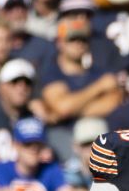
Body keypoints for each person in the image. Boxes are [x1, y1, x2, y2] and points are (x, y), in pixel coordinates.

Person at [40, 18, 124, 162]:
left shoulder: (99, 73)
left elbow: (114, 101)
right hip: (65, 137)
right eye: (72, 39)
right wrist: (99, 87)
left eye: (83, 39)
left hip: (97, 135)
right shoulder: (52, 74)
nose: (79, 44)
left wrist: (67, 112)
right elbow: (63, 107)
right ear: (60, 43)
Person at [0, 58, 41, 163]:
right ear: (1, 86)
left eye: (27, 83)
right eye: (14, 82)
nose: (21, 88)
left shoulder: (33, 119)